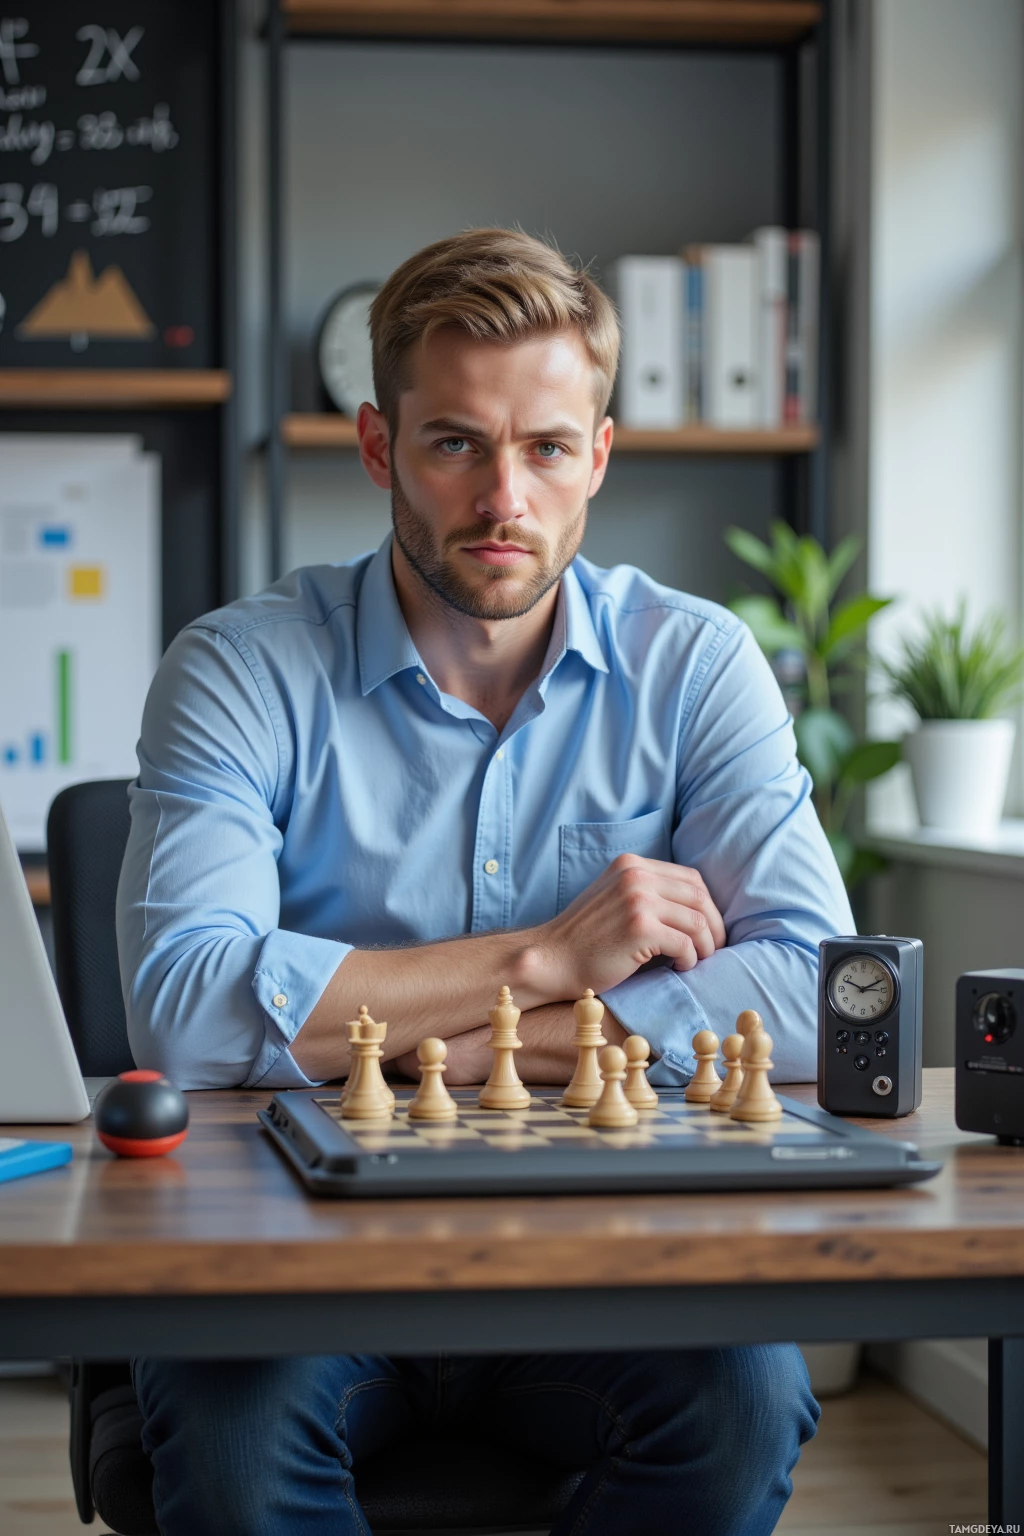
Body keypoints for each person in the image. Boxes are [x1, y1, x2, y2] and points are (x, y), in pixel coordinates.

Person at [118, 228, 850, 1535]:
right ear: (379, 447)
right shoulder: (238, 668)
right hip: (292, 1260)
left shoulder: (698, 666)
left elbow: (813, 982)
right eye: (456, 442)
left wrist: (466, 1044)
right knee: (235, 1445)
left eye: (547, 447)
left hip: (606, 1255)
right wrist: (544, 961)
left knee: (743, 1402)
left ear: (599, 461)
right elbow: (183, 1006)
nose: (503, 497)